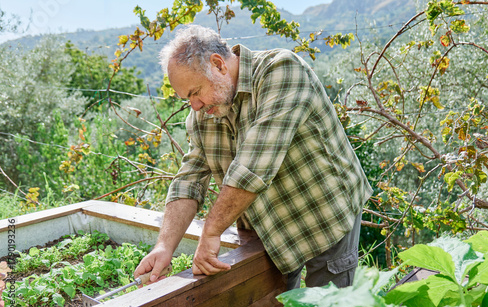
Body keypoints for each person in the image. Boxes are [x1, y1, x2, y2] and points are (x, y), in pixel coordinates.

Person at [134, 24, 373, 290]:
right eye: (186, 99)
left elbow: (254, 168)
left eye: (195, 92)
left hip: (325, 212)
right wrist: (164, 247)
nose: (195, 106)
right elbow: (188, 181)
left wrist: (211, 231)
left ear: (218, 64)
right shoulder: (204, 113)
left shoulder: (281, 70)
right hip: (270, 225)